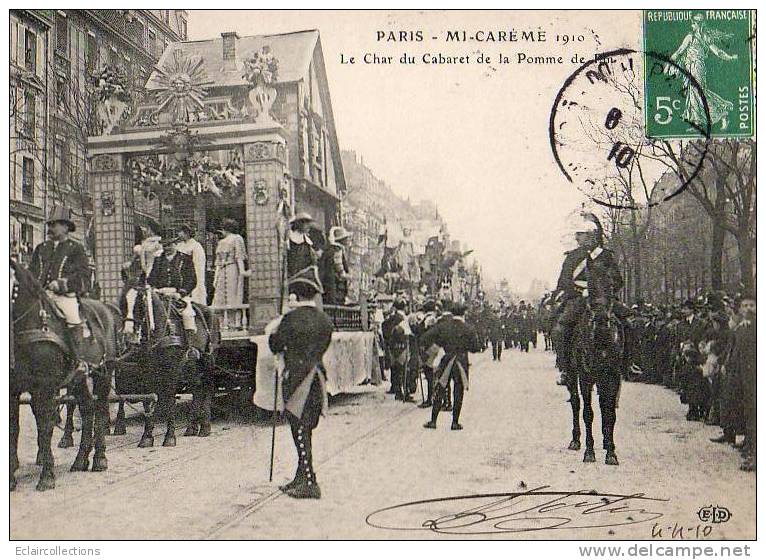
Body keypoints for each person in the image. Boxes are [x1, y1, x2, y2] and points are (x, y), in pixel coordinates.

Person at [268, 267, 333, 499]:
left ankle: (310, 480)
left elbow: (275, 345)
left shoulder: (290, 319)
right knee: (306, 427)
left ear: (295, 295)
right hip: (316, 378)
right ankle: (301, 476)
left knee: (299, 428)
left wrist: (276, 331)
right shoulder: (325, 320)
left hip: (296, 378)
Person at [552, 211, 623, 385]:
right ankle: (566, 369)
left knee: (628, 323)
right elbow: (563, 282)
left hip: (603, 300)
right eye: (577, 235)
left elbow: (617, 280)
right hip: (578, 299)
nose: (577, 238)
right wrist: (578, 291)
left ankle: (630, 363)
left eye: (580, 235)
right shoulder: (572, 257)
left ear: (592, 236)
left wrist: (605, 292)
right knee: (560, 328)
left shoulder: (606, 256)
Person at [28, 206, 92, 372]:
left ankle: (78, 361)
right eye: (49, 225)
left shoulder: (76, 248)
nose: (50, 228)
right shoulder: (41, 248)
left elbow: (84, 277)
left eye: (54, 224)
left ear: (65, 227)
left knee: (72, 317)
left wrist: (62, 284)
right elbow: (31, 272)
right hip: (40, 296)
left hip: (63, 296)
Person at [422, 302, 481, 430]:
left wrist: (437, 346)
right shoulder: (468, 328)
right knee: (458, 391)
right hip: (461, 360)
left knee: (440, 389)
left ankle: (433, 421)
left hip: (447, 359)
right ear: (463, 313)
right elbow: (476, 348)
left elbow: (425, 338)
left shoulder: (443, 326)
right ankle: (455, 422)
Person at [147, 231, 198, 335]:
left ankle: (191, 342)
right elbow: (151, 278)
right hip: (160, 294)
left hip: (178, 295)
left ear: (175, 244)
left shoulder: (185, 259)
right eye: (164, 246)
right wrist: (154, 289)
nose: (167, 248)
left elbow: (191, 280)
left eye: (169, 245)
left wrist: (180, 293)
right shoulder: (158, 260)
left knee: (187, 314)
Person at [212, 218, 249, 327]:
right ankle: (230, 323)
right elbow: (239, 257)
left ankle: (227, 323)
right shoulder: (236, 239)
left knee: (224, 295)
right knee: (231, 294)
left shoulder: (225, 241)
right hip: (231, 269)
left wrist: (216, 277)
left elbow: (219, 263)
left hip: (225, 270)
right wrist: (242, 271)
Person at [382, 298, 414, 402]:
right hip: (403, 346)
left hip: (392, 347)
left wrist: (388, 340)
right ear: (404, 307)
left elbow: (384, 326)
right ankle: (406, 392)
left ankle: (397, 391)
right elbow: (408, 333)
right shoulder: (404, 318)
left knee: (395, 369)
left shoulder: (390, 318)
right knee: (404, 370)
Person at [176, 223, 207, 305]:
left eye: (180, 232)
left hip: (192, 273)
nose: (178, 234)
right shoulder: (180, 245)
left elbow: (199, 264)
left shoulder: (196, 246)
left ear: (186, 233)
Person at [320, 226, 352, 306]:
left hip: (327, 287)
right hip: (335, 287)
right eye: (346, 238)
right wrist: (349, 276)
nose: (348, 240)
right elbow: (340, 270)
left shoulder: (328, 250)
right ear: (342, 240)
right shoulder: (337, 250)